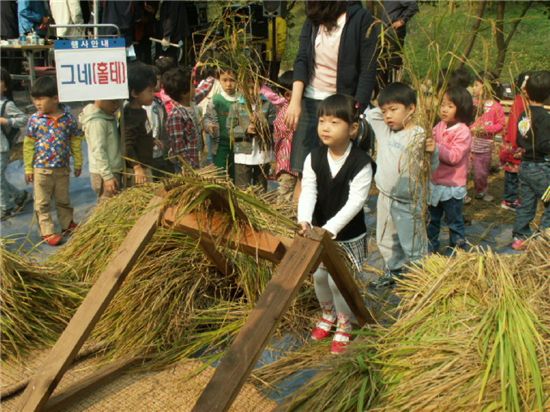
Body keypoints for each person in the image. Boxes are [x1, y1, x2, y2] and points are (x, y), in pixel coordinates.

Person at [298, 94, 374, 354]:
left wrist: (330, 228)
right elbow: (309, 190)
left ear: (352, 129)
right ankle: (327, 314)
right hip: (318, 233)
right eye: (321, 121)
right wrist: (305, 220)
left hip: (347, 236)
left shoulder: (361, 163)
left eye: (334, 122)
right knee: (319, 277)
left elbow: (356, 202)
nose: (325, 127)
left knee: (339, 281)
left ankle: (345, 323)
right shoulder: (314, 157)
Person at [285, 1, 378, 186]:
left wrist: (355, 112)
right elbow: (302, 59)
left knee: (335, 175)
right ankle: (301, 215)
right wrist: (295, 101)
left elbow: (367, 69)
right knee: (304, 173)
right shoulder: (313, 18)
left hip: (341, 104)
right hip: (310, 102)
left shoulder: (360, 18)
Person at [365, 82, 437, 286]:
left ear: (411, 108)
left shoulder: (419, 135)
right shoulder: (385, 131)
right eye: (385, 111)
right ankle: (394, 271)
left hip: (408, 200)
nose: (387, 116)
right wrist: (386, 106)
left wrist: (433, 152)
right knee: (385, 239)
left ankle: (420, 279)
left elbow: (431, 168)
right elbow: (371, 115)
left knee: (412, 242)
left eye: (394, 110)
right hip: (385, 196)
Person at [23, 76, 82, 246]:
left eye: (41, 98)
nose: (37, 103)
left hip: (62, 169)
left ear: (56, 98)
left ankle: (67, 223)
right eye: (35, 99)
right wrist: (28, 167)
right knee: (42, 203)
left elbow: (76, 140)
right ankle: (47, 230)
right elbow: (28, 144)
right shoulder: (35, 120)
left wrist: (78, 162)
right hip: (41, 169)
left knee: (63, 199)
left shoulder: (68, 118)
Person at [428, 87, 474, 253]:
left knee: (453, 221)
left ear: (461, 108)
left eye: (450, 106)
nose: (444, 109)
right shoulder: (440, 125)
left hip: (452, 186)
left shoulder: (463, 131)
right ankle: (430, 248)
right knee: (432, 219)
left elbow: (454, 157)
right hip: (435, 183)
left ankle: (457, 249)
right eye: (442, 105)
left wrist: (435, 147)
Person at [511, 70, 550, 250]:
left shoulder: (524, 115)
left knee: (526, 203)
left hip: (525, 166)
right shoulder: (545, 118)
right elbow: (544, 144)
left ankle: (520, 238)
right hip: (541, 167)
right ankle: (545, 235)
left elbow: (520, 140)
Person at [228, 79, 276, 191]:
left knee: (261, 188)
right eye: (248, 88)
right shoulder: (235, 106)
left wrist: (260, 125)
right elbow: (230, 129)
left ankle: (260, 207)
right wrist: (246, 129)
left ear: (260, 87)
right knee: (242, 189)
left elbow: (272, 126)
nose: (251, 92)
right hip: (242, 154)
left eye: (254, 87)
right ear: (241, 88)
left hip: (263, 153)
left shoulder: (268, 105)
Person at [469, 72, 505, 202]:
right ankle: (461, 193)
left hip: (484, 147)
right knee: (463, 171)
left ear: (487, 86)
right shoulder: (471, 103)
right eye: (474, 85)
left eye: (476, 85)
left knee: (481, 173)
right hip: (467, 145)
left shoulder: (496, 106)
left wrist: (486, 129)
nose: (474, 88)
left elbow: (501, 124)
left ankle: (481, 191)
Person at [499, 71, 532, 210]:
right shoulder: (520, 102)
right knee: (512, 174)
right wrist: (515, 144)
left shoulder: (524, 101)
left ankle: (513, 197)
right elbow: (514, 125)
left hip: (517, 142)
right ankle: (509, 200)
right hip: (515, 144)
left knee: (515, 174)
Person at [80, 99, 123, 202]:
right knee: (107, 205)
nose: (116, 106)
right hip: (105, 172)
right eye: (113, 102)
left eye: (118, 102)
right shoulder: (97, 122)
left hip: (110, 169)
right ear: (99, 98)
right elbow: (98, 150)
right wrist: (107, 176)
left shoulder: (107, 115)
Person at [1, 69, 29, 220]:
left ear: (5, 87)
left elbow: (24, 119)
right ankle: (19, 195)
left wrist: (7, 121)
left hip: (2, 147)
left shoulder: (6, 105)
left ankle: (6, 208)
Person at [123, 63, 157, 185]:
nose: (153, 94)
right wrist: (136, 167)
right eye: (149, 91)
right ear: (135, 93)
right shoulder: (131, 116)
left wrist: (151, 140)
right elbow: (127, 145)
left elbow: (140, 134)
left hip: (145, 166)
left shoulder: (140, 111)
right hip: (138, 172)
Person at [163, 67, 202, 170]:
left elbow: (204, 90)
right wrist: (189, 167)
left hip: (196, 161)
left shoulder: (192, 106)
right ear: (184, 93)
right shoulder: (176, 115)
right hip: (186, 168)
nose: (195, 88)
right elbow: (178, 148)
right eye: (193, 86)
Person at [204, 67, 240, 179]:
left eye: (232, 80)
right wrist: (209, 126)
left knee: (236, 172)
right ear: (219, 80)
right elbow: (207, 117)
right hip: (220, 143)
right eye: (225, 80)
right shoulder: (216, 100)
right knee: (220, 172)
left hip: (238, 143)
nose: (228, 84)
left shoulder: (241, 99)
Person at [378, 0, 419, 89]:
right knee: (382, 60)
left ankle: (394, 88)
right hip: (384, 31)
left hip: (394, 31)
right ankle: (383, 88)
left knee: (394, 60)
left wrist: (402, 21)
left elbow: (413, 6)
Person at [273, 71, 298, 204]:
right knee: (285, 197)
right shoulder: (288, 113)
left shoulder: (290, 109)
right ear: (288, 95)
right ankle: (280, 221)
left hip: (292, 164)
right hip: (288, 165)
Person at [144, 66, 171, 179]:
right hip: (146, 156)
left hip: (159, 154)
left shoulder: (159, 103)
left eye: (159, 79)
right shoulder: (139, 106)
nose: (158, 82)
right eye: (156, 79)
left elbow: (164, 126)